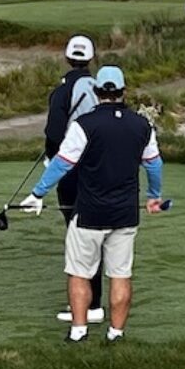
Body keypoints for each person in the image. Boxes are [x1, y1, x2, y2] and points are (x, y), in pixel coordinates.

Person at [22, 66, 164, 344]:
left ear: (97, 92)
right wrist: (154, 195)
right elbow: (154, 164)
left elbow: (62, 163)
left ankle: (79, 331)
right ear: (123, 92)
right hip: (125, 215)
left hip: (89, 212)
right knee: (120, 275)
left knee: (79, 273)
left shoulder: (84, 124)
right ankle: (116, 333)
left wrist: (38, 193)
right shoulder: (141, 125)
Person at [43, 34, 104, 323]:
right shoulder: (103, 87)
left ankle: (86, 305)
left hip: (71, 169)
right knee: (95, 231)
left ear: (67, 58)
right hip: (99, 168)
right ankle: (96, 301)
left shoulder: (62, 91)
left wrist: (51, 159)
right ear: (91, 59)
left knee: (78, 234)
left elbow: (54, 134)